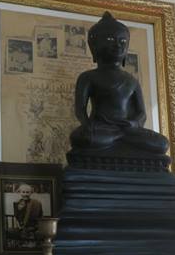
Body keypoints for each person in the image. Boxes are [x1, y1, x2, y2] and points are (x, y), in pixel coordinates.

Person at [69, 12, 168, 156]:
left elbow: (141, 113)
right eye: (110, 39)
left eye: (123, 41)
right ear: (95, 46)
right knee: (80, 137)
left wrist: (133, 124)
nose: (118, 45)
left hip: (127, 130)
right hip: (101, 129)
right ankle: (118, 139)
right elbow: (80, 110)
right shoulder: (88, 77)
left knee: (162, 143)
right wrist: (88, 125)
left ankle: (118, 138)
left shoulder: (131, 80)